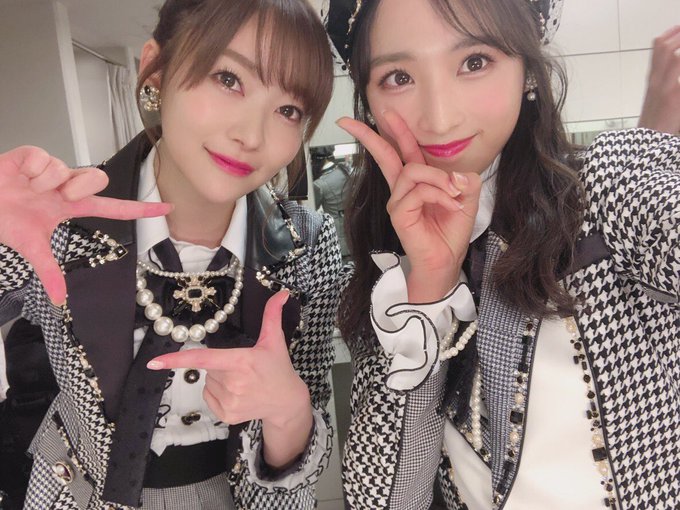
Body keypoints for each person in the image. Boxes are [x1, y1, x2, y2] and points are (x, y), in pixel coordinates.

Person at [324, 0, 679, 508]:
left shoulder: (605, 188)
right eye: (399, 77)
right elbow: (387, 502)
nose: (440, 118)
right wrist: (430, 287)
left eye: (475, 61)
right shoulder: (389, 265)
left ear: (527, 69)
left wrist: (655, 146)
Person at [0, 0, 340, 508]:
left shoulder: (308, 245)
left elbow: (310, 414)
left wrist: (290, 414)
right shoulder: (62, 219)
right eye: (228, 79)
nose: (251, 136)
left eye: (288, 110)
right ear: (156, 69)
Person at [311, 146, 352, 262]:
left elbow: (312, 208)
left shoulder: (320, 184)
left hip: (338, 238)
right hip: (353, 231)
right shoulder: (345, 171)